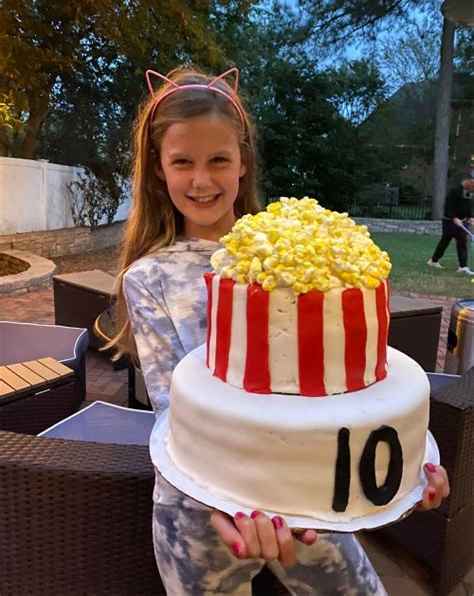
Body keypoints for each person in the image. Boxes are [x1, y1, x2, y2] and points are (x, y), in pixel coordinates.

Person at [109, 66, 450, 595]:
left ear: (243, 161)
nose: (201, 180)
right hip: (199, 516)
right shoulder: (148, 278)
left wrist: (408, 467)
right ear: (158, 169)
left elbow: (348, 385)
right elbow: (176, 413)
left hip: (305, 501)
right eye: (182, 162)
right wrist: (225, 506)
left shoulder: (296, 255)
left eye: (218, 160)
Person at [427, 172, 474, 276]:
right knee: (449, 241)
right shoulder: (454, 191)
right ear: (467, 181)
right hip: (449, 221)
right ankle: (460, 266)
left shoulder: (469, 193)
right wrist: (454, 218)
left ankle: (461, 266)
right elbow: (448, 206)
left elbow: (469, 206)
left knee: (457, 241)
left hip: (462, 222)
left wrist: (470, 217)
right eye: (472, 183)